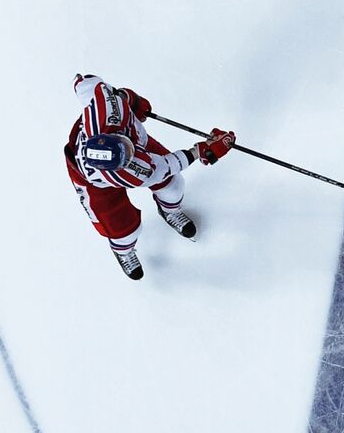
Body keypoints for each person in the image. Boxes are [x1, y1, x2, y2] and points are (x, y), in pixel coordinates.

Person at [64, 74, 235, 280]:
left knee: (172, 186)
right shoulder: (129, 171)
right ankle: (123, 251)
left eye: (126, 147)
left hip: (134, 139)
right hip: (93, 184)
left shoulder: (104, 104)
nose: (131, 154)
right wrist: (202, 151)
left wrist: (130, 100)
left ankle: (169, 211)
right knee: (123, 230)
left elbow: (86, 84)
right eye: (128, 156)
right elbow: (165, 166)